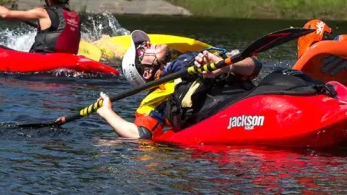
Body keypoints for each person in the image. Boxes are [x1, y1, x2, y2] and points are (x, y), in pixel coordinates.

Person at [96, 30, 263, 139]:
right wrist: (108, 113)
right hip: (234, 116)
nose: (147, 43)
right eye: (141, 50)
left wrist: (225, 66)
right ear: (146, 73)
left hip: (255, 98)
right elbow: (141, 134)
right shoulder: (156, 98)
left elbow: (254, 66)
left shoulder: (189, 58)